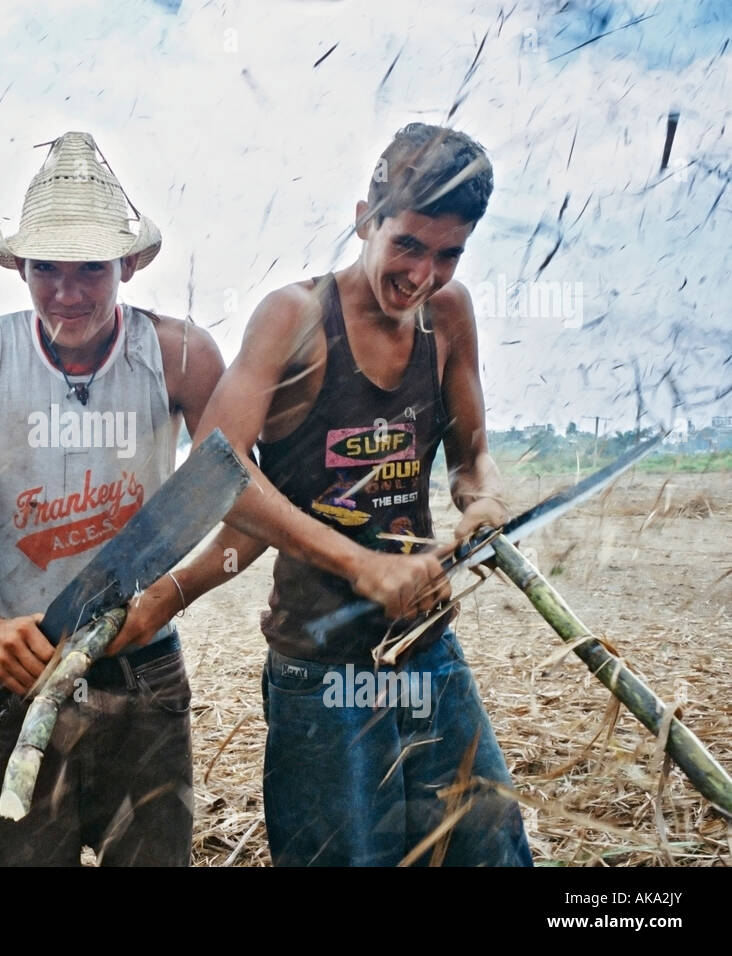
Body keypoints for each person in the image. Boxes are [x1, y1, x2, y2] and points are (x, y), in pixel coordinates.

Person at [158, 123, 532, 865]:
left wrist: (483, 501)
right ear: (366, 217)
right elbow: (216, 469)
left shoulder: (448, 316)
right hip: (319, 664)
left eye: (448, 254)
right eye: (409, 246)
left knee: (484, 846)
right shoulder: (292, 317)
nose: (423, 276)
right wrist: (359, 565)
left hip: (425, 648)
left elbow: (473, 456)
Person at [0, 132, 225, 865]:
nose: (66, 293)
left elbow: (244, 501)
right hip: (25, 669)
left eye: (90, 270)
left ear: (128, 264)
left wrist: (170, 592)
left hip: (145, 676)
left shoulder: (180, 354)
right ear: (19, 267)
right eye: (46, 270)